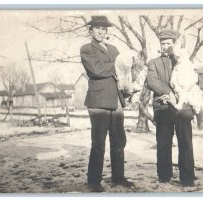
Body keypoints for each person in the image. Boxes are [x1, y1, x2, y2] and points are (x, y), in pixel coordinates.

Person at [80, 15, 134, 192]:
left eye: (104, 29)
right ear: (91, 30)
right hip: (99, 102)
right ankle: (94, 181)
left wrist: (128, 89)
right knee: (99, 144)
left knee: (119, 142)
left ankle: (118, 177)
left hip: (116, 101)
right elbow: (96, 70)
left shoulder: (114, 49)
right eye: (97, 28)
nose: (101, 32)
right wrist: (118, 64)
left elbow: (124, 73)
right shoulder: (86, 49)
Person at [146, 29, 196, 187]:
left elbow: (196, 78)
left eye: (169, 43)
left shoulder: (183, 60)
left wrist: (185, 92)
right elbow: (152, 82)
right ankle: (164, 178)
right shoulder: (153, 63)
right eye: (163, 44)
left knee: (186, 143)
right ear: (159, 45)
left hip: (182, 108)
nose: (166, 46)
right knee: (163, 143)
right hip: (163, 108)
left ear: (174, 45)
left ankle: (187, 179)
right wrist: (169, 93)